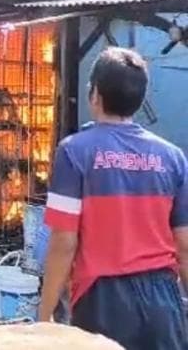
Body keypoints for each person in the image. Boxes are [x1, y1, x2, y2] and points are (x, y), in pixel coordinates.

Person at [38, 47, 188, 349]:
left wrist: (44, 315)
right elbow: (184, 245)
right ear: (140, 98)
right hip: (163, 299)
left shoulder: (74, 151)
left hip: (102, 300)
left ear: (95, 94)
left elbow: (64, 243)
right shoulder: (173, 158)